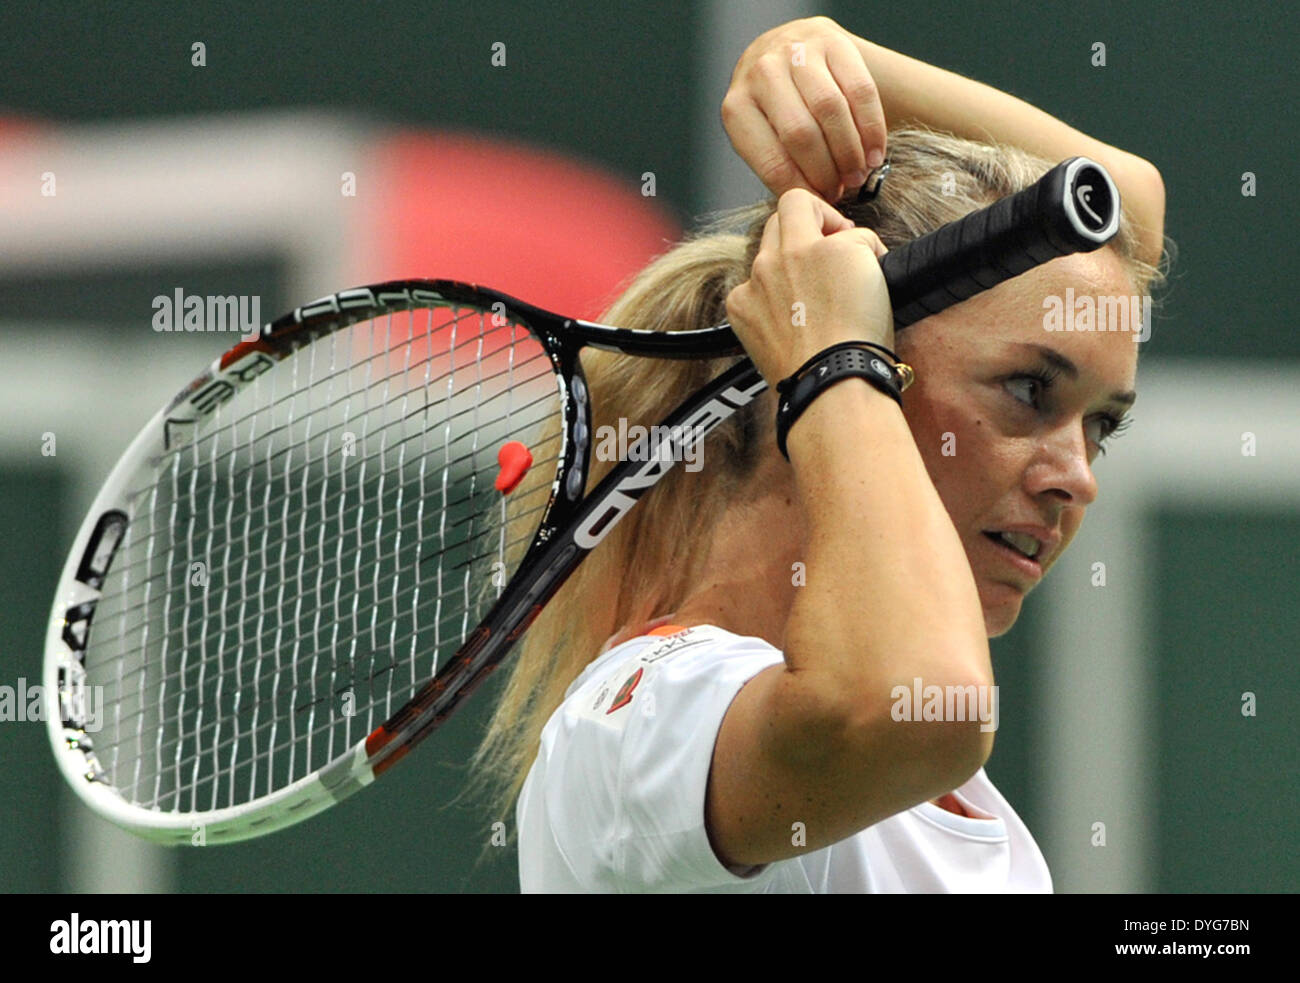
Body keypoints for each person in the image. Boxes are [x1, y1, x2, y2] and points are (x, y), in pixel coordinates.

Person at [471, 16, 1169, 892]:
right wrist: (834, 361)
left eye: (1102, 425)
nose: (1077, 479)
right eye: (1029, 391)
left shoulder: (945, 797)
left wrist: (833, 57)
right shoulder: (646, 720)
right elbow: (915, 710)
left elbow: (1125, 204)